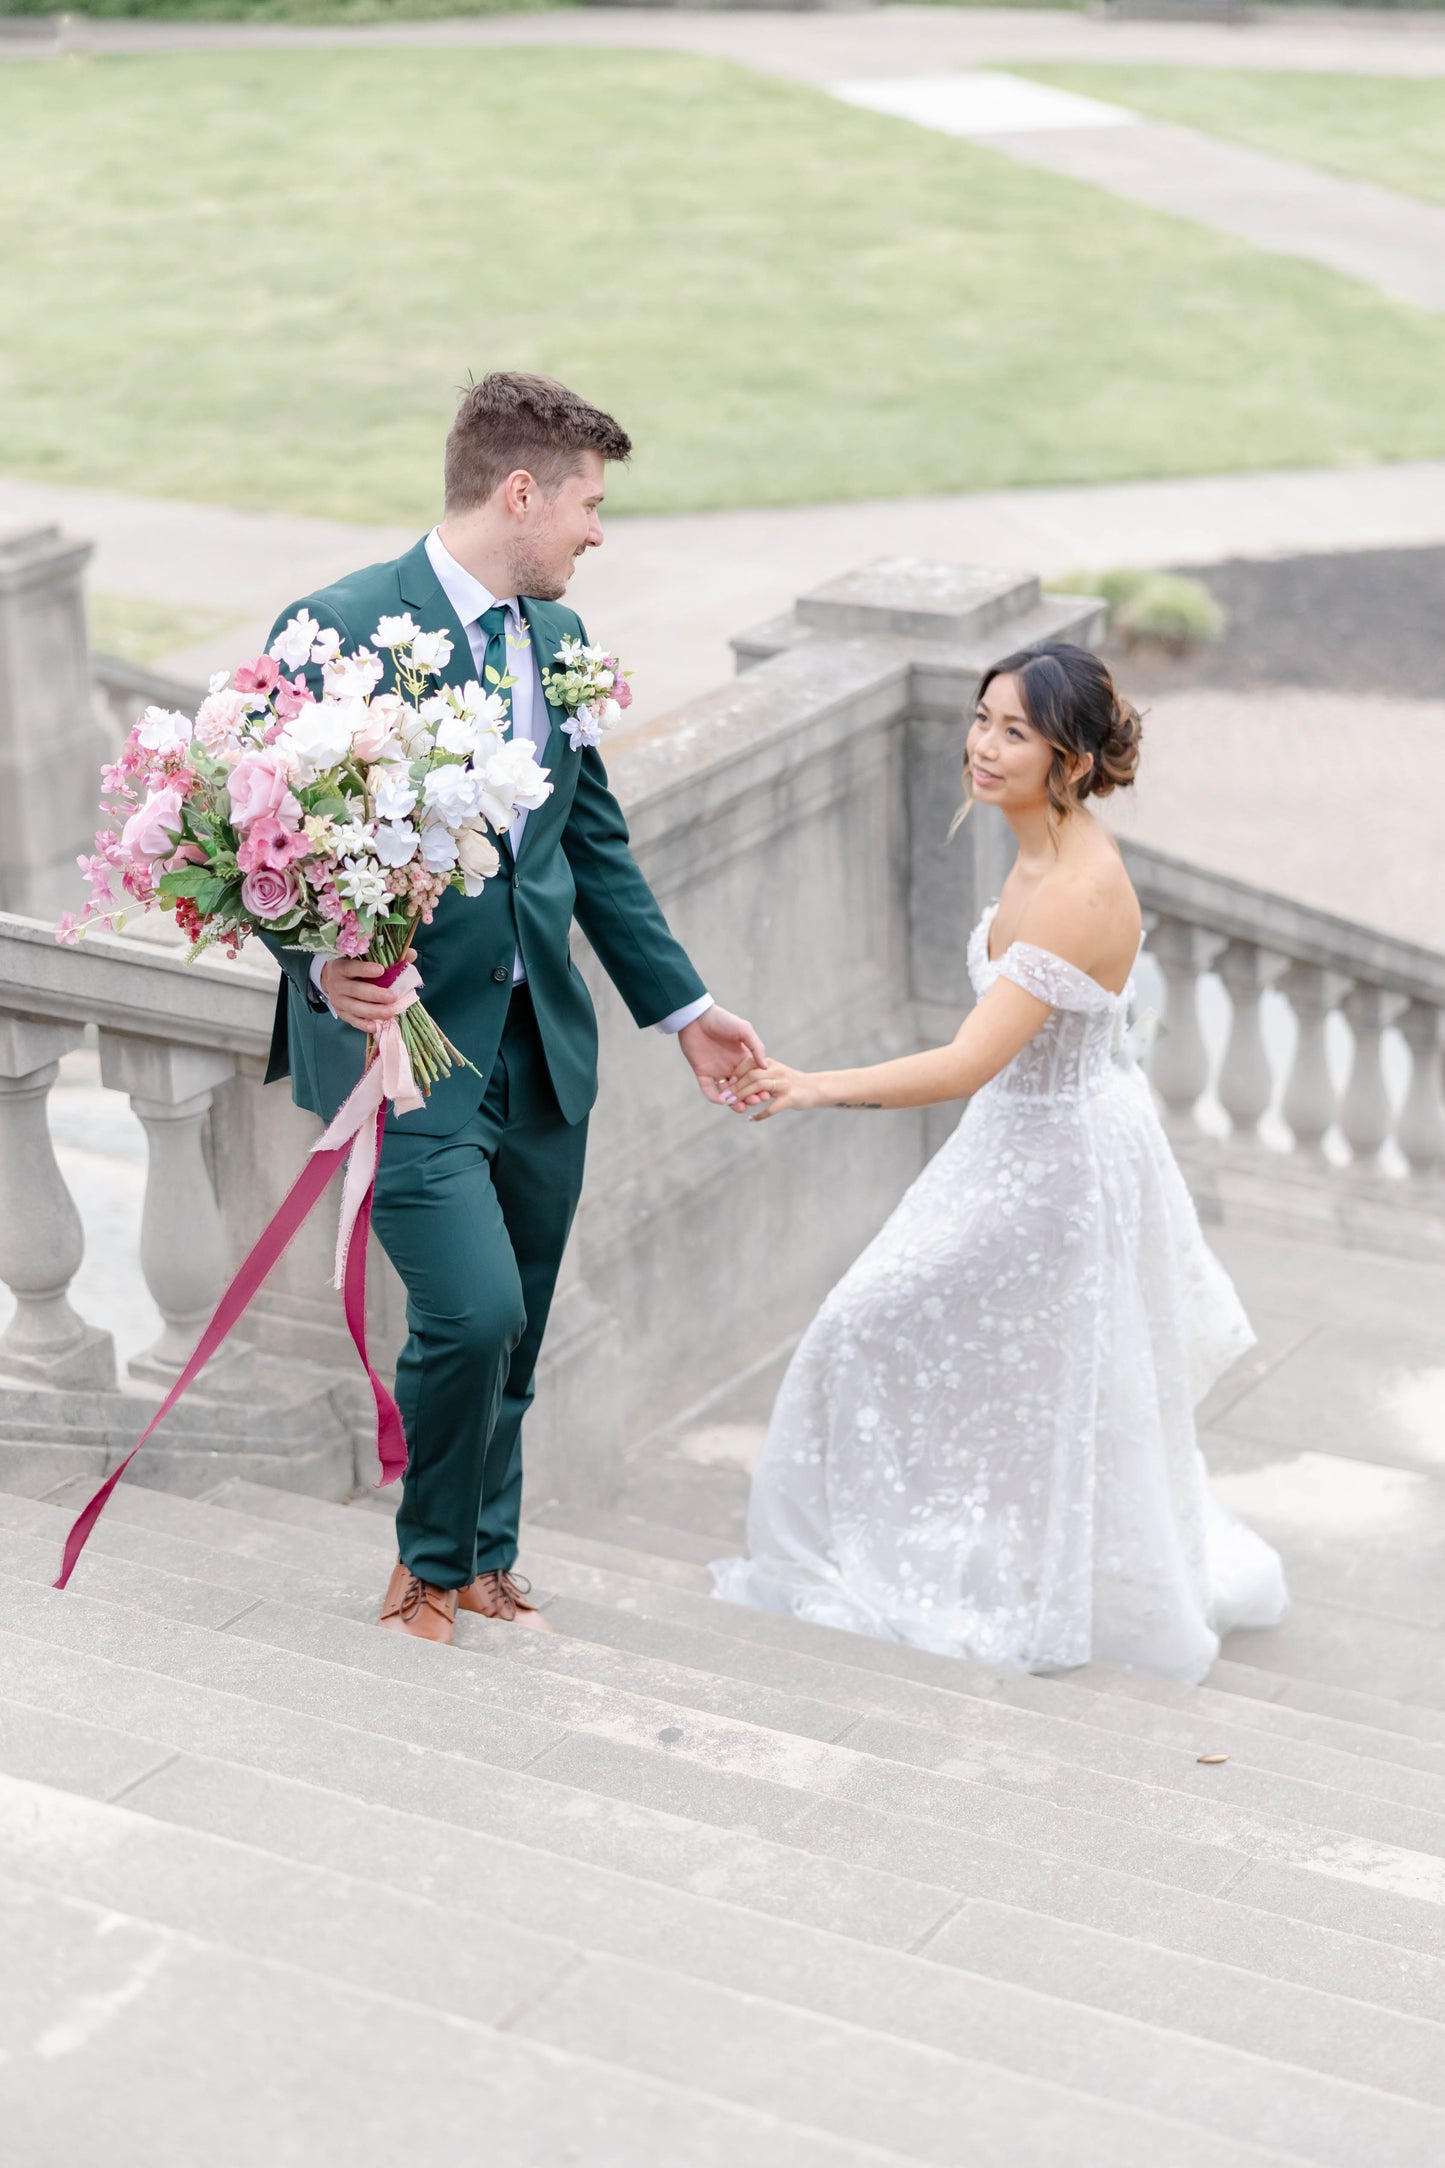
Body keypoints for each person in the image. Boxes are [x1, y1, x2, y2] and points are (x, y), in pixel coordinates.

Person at [263, 372, 764, 1646]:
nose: (598, 532)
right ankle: (423, 1566)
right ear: (521, 492)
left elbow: (592, 848)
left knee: (522, 1323)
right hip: (408, 1049)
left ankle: (489, 1555)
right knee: (470, 1308)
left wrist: (684, 1008)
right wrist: (321, 968)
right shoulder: (336, 628)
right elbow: (257, 841)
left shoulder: (559, 646)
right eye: (589, 505)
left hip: (543, 1045)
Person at [713, 642, 1287, 1683]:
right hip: (1014, 1138)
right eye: (981, 717)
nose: (980, 744)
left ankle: (1027, 1577)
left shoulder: (1075, 887)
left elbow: (969, 1058)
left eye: (1012, 730)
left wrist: (811, 1084)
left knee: (884, 1324)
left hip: (1058, 1160)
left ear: (1068, 758)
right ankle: (986, 1547)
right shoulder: (1032, 842)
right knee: (988, 1361)